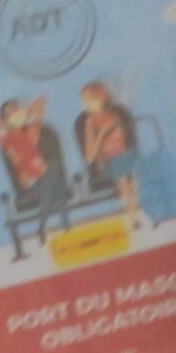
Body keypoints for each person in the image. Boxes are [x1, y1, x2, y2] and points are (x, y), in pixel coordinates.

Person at [75, 81, 144, 237]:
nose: (85, 104)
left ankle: (137, 211)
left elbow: (128, 142)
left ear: (101, 98)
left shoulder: (115, 116)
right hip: (108, 163)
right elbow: (89, 156)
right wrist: (101, 135)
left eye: (89, 99)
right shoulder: (89, 122)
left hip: (125, 156)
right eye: (84, 100)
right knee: (125, 179)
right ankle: (133, 217)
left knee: (132, 174)